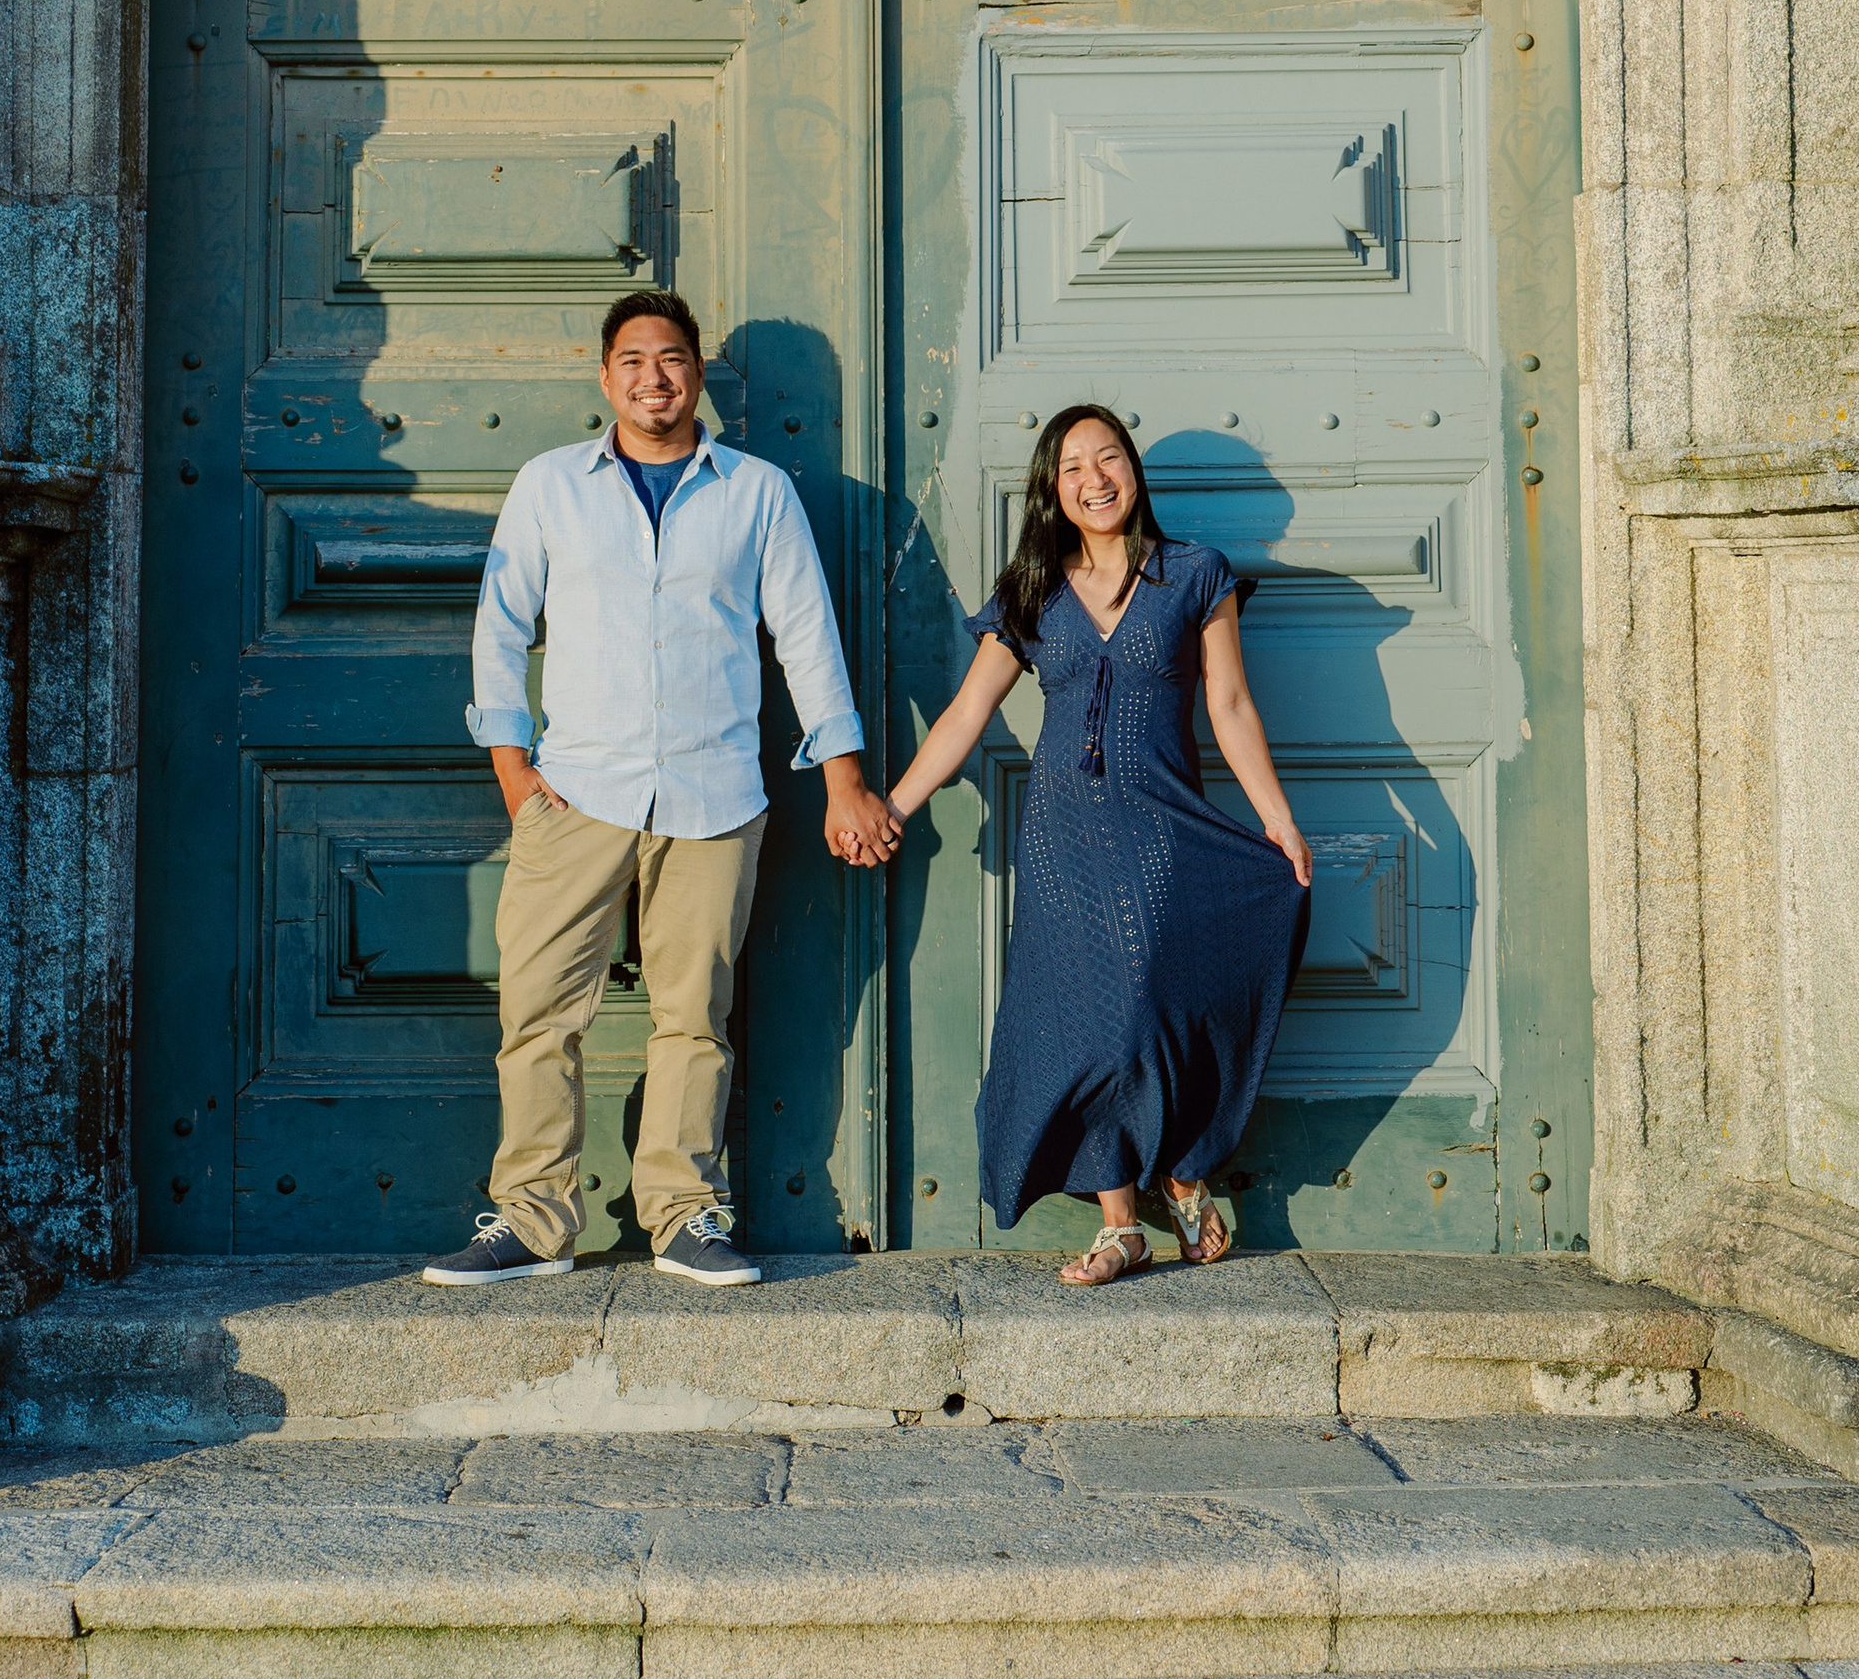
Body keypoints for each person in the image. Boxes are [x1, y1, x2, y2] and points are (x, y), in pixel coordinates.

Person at [421, 285, 902, 1290]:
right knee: (540, 1014)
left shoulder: (756, 492)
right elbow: (499, 629)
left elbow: (805, 637)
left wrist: (845, 778)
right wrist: (514, 772)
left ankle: (683, 1215)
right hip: (575, 795)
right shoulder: (552, 485)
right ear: (607, 377)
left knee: (696, 1017)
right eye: (634, 359)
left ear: (695, 377)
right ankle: (531, 1221)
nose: (654, 376)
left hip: (714, 794)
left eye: (673, 358)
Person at [885, 404, 1315, 1284]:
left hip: (1163, 827)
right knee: (1087, 1024)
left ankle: (1187, 1173)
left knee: (1156, 1010)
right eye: (1073, 466)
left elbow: (1229, 706)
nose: (1095, 478)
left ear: (1132, 470)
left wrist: (1276, 816)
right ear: (1054, 489)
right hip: (1061, 839)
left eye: (1108, 457)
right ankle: (1121, 1223)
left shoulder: (1197, 574)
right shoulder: (1030, 590)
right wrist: (893, 804)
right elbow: (970, 713)